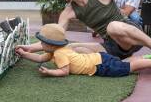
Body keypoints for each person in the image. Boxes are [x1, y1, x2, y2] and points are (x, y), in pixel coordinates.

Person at [16, 0, 151, 59]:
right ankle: (122, 62)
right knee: (70, 48)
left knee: (113, 27)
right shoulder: (68, 12)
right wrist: (30, 48)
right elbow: (55, 39)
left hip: (129, 33)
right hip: (114, 47)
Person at [16, 23, 151, 77]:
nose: (41, 44)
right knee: (125, 63)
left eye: (42, 42)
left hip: (100, 66)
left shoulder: (59, 54)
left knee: (129, 67)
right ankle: (147, 58)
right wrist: (24, 54)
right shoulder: (56, 50)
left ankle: (146, 62)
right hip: (99, 58)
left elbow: (64, 71)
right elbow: (39, 58)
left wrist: (50, 72)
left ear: (51, 45)